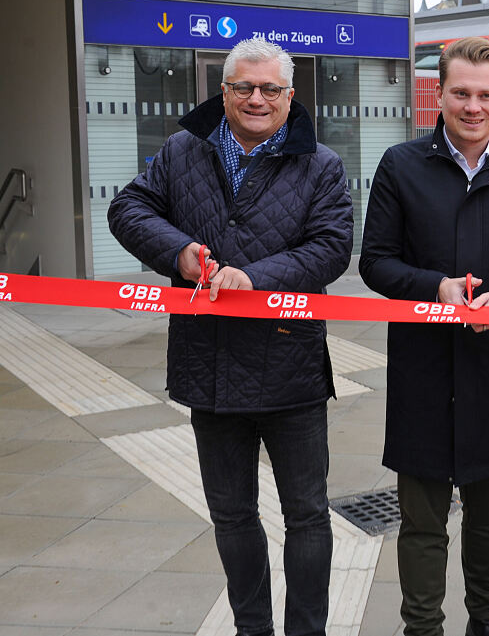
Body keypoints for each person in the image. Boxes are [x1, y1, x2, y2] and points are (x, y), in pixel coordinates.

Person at [108, 37, 354, 636]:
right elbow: (128, 209)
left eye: (270, 88)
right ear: (223, 91)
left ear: (290, 96)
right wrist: (181, 254)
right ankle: (252, 629)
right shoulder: (183, 149)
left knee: (307, 515)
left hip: (291, 365)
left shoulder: (320, 164)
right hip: (208, 362)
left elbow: (331, 248)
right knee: (232, 514)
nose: (256, 98)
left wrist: (256, 277)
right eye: (243, 86)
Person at [359, 36, 489, 636]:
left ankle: (484, 617)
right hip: (422, 363)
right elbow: (376, 262)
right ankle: (422, 626)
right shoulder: (402, 165)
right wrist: (435, 287)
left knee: (487, 510)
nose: (473, 107)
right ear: (438, 94)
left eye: (485, 95)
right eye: (460, 93)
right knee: (420, 513)